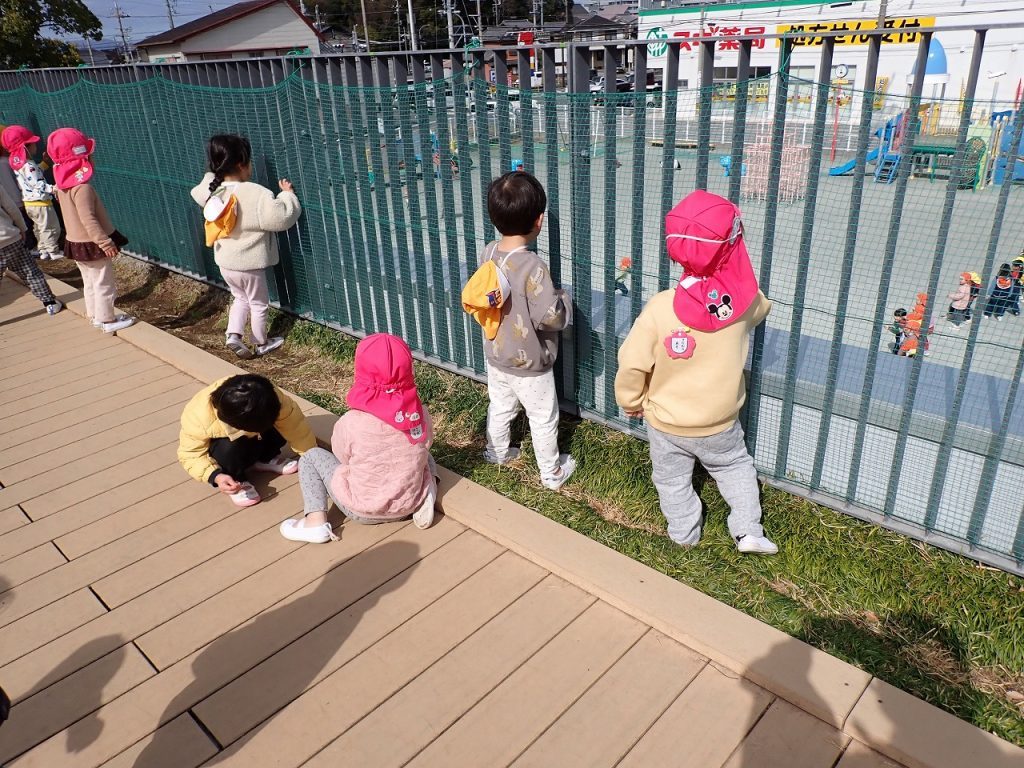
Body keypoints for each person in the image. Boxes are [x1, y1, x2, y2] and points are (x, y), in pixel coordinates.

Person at [615, 190, 777, 554]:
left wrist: (631, 400)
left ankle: (684, 533)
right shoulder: (743, 305)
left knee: (671, 479)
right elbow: (762, 305)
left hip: (666, 421)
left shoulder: (659, 308)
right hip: (720, 421)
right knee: (734, 467)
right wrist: (733, 271)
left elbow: (632, 361)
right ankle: (748, 529)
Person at [462, 171, 575, 491]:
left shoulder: (488, 252)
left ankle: (496, 452)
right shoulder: (533, 266)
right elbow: (550, 317)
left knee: (500, 406)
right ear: (539, 221)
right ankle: (551, 472)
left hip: (497, 353)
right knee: (542, 417)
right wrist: (565, 301)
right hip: (531, 363)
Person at [282, 334, 438, 543]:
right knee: (425, 455)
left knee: (311, 457)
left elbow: (341, 455)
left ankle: (315, 522)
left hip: (361, 509)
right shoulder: (419, 414)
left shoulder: (352, 421)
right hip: (408, 503)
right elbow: (427, 442)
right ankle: (428, 492)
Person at [190, 134, 301, 359]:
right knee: (258, 304)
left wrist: (214, 172)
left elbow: (198, 190)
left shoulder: (213, 190)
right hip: (250, 265)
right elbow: (281, 218)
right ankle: (261, 343)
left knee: (240, 298)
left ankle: (233, 335)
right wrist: (288, 196)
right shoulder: (256, 193)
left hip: (226, 263)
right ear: (242, 164)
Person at [178, 374, 316, 508]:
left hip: (256, 430)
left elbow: (296, 428)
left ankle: (266, 458)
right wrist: (215, 476)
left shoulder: (268, 394)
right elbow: (190, 454)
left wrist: (312, 457)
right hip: (231, 449)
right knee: (228, 448)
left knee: (285, 424)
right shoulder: (197, 416)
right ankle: (235, 479)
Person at [47, 127, 135, 333]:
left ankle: (95, 316)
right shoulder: (82, 188)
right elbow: (88, 219)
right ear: (83, 161)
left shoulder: (61, 187)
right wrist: (105, 242)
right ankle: (107, 320)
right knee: (104, 282)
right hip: (92, 244)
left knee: (89, 281)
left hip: (75, 243)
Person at [1, 125, 63, 260]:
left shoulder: (19, 164)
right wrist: (53, 189)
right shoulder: (29, 165)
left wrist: (44, 164)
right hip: (40, 203)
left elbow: (32, 175)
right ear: (25, 147)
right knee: (51, 227)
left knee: (39, 228)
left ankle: (43, 250)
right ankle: (53, 251)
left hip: (30, 203)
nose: (36, 146)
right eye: (33, 143)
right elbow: (36, 183)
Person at [0, 185, 63, 315]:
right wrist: (22, 228)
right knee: (30, 273)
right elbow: (11, 208)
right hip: (10, 238)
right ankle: (50, 303)